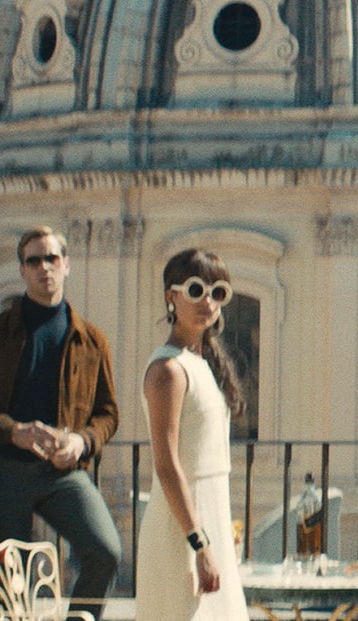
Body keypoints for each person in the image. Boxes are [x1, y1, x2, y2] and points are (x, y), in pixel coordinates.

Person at [0, 226, 121, 621]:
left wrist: (80, 441)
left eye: (52, 258)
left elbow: (108, 413)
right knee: (9, 587)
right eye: (34, 260)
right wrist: (13, 431)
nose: (45, 268)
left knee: (105, 551)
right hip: (3, 470)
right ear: (22, 270)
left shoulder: (91, 340)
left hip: (64, 474)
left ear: (66, 264)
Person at [135, 249, 248, 620]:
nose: (207, 302)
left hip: (209, 523)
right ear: (172, 295)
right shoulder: (167, 370)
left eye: (218, 293)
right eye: (196, 290)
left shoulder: (201, 363)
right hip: (180, 533)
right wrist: (199, 543)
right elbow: (167, 466)